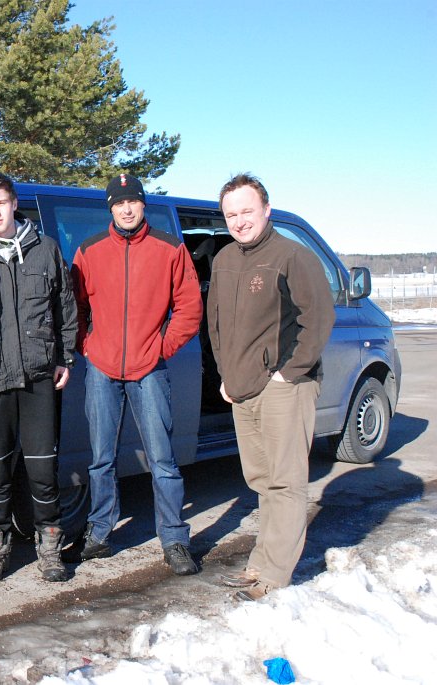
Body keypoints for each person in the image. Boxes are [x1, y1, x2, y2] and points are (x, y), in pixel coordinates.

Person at [208, 173, 335, 601]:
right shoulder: (225, 258)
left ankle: (275, 575)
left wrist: (288, 372)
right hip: (241, 386)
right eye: (231, 214)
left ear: (266, 209)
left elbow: (318, 318)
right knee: (261, 479)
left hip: (284, 385)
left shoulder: (292, 256)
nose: (239, 221)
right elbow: (216, 324)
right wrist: (226, 375)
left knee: (285, 481)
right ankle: (261, 562)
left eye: (247, 211)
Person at [71, 173, 202, 576]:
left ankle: (175, 539)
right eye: (118, 203)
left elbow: (189, 306)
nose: (126, 209)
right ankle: (99, 531)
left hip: (149, 368)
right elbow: (74, 306)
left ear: (143, 204)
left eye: (132, 201)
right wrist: (86, 344)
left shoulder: (170, 248)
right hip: (102, 368)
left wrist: (163, 346)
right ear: (110, 208)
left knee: (163, 459)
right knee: (101, 458)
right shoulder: (90, 251)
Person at [0, 172, 77, 583]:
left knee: (43, 469)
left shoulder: (45, 249)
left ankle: (50, 545)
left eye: (0, 203)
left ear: (13, 203)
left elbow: (65, 306)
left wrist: (65, 357)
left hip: (39, 376)